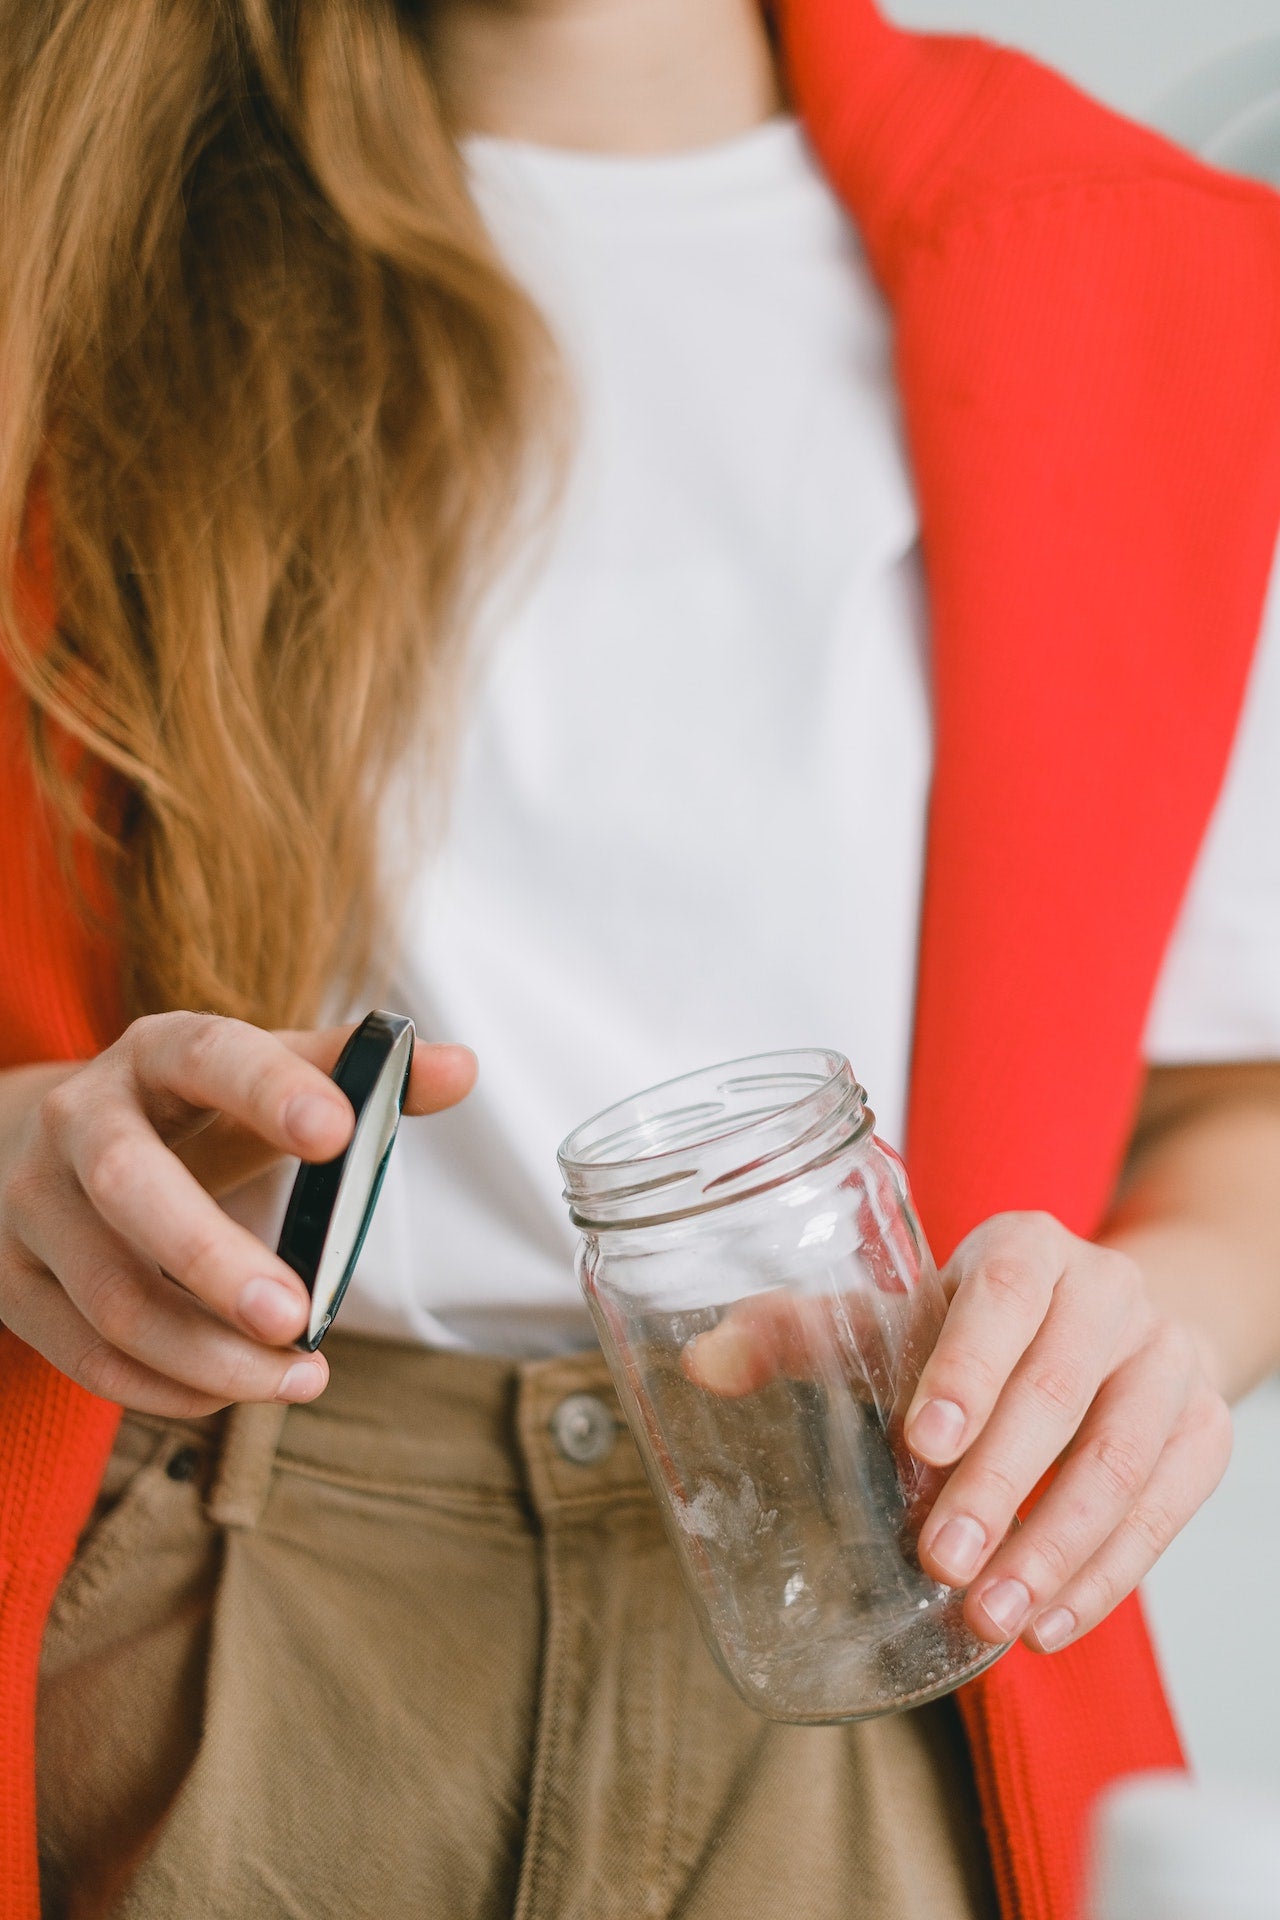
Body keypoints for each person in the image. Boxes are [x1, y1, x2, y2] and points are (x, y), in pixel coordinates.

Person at [1, 1, 1279, 1916]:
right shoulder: (54, 205)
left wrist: (1149, 1326)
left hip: (883, 1610)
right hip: (220, 1608)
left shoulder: (1156, 266)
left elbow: (1234, 1097)